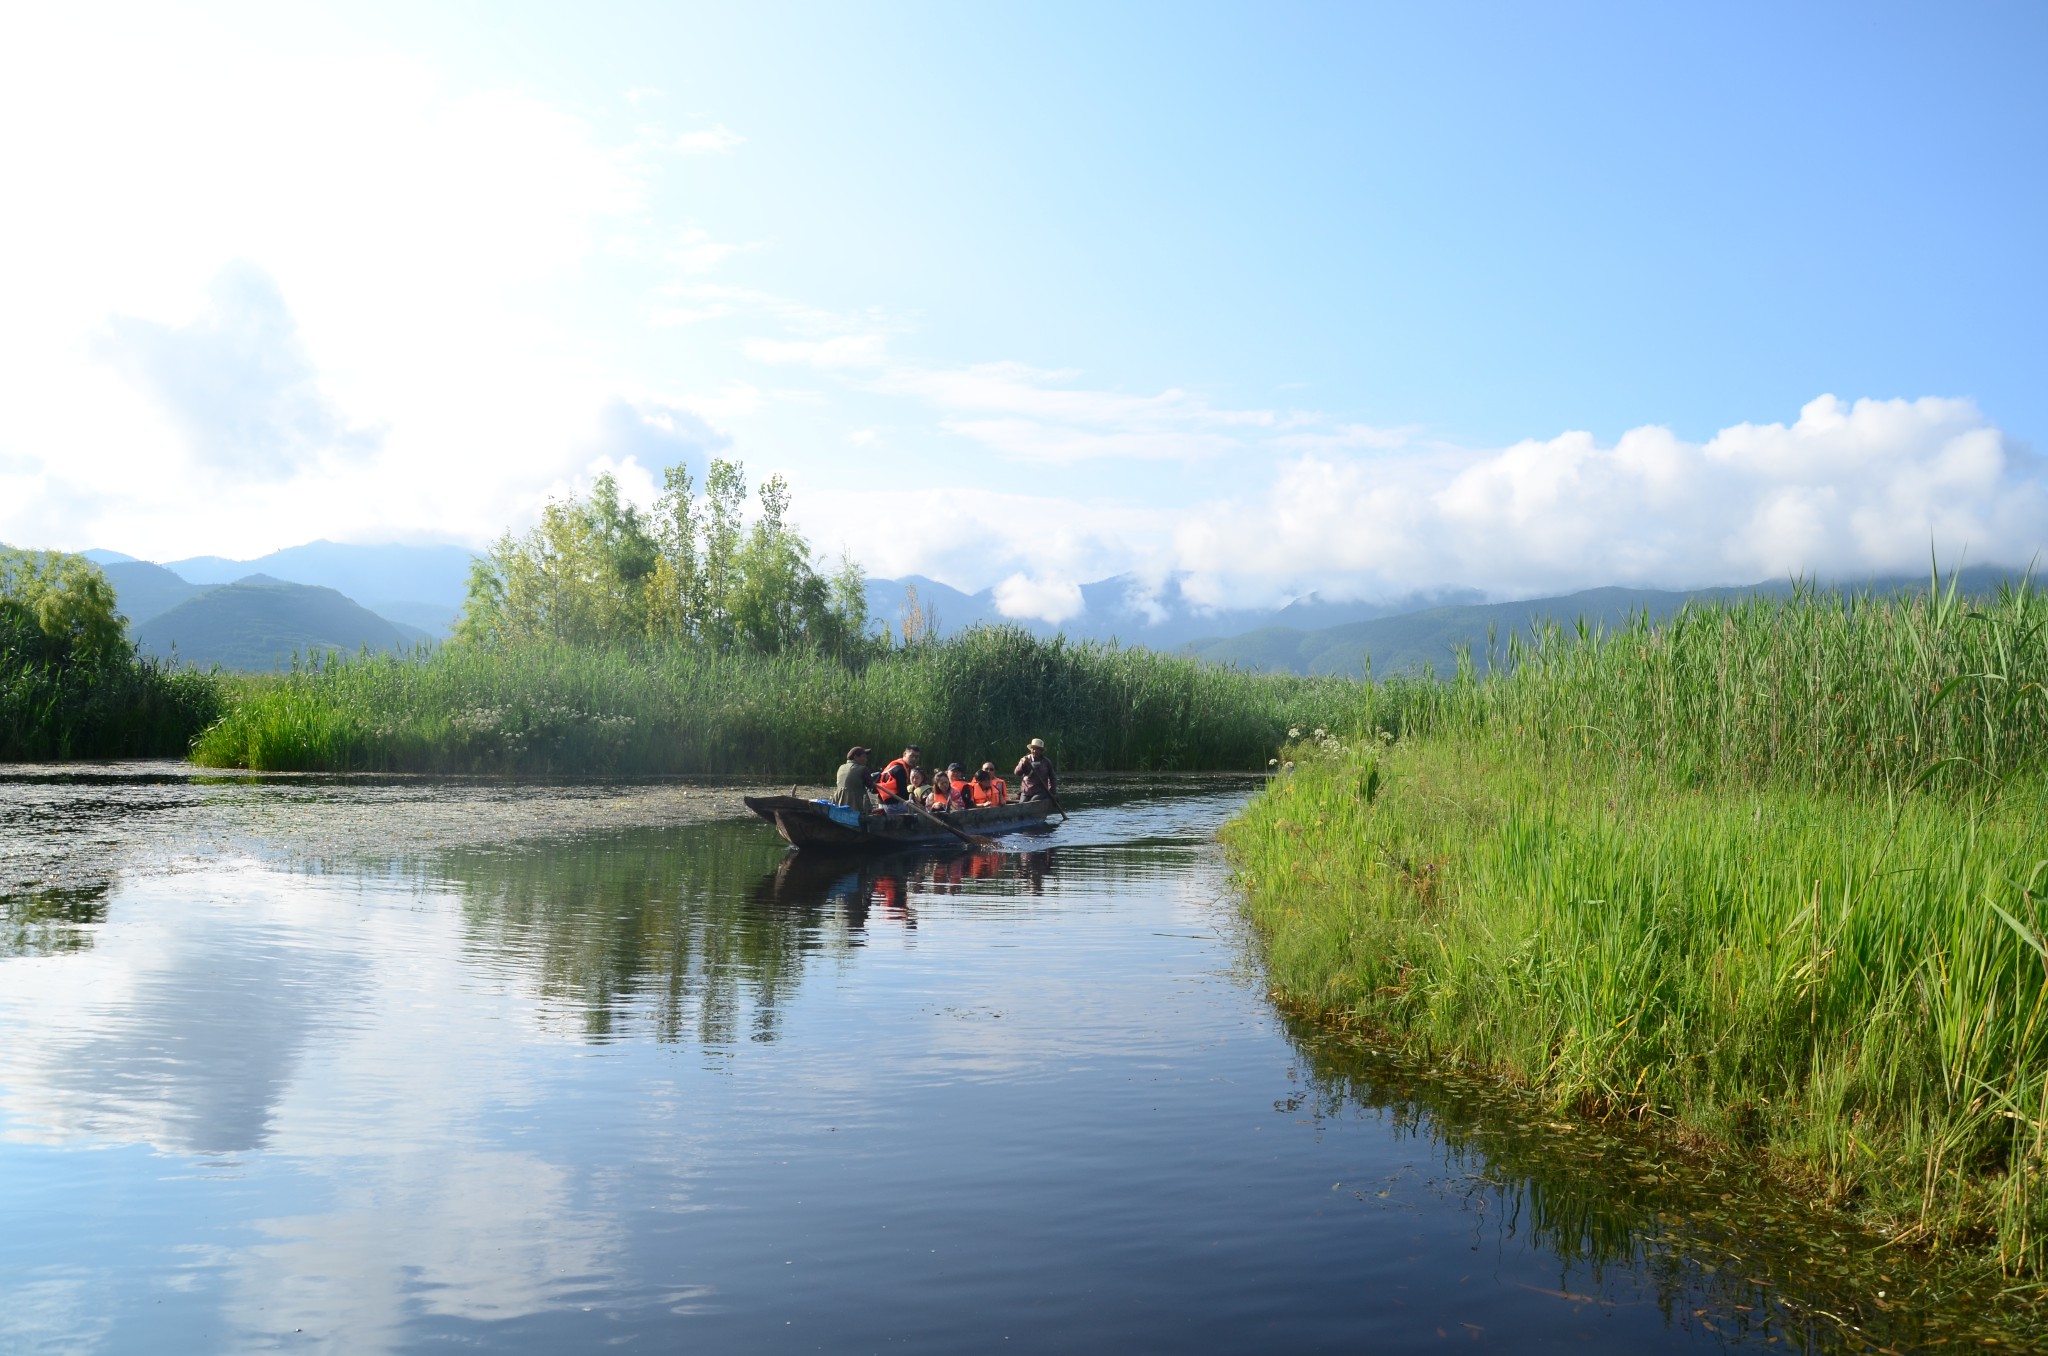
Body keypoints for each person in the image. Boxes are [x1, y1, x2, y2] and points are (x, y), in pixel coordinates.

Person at [873, 745, 922, 811]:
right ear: (904, 754)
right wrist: (914, 799)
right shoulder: (900, 770)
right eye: (912, 756)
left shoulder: (896, 765)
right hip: (891, 806)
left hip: (882, 804)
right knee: (918, 810)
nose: (914, 759)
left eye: (916, 757)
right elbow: (903, 794)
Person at [833, 746, 876, 812]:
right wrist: (875, 782)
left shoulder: (841, 767)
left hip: (839, 804)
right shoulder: (863, 769)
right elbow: (872, 787)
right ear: (855, 757)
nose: (866, 759)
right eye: (864, 757)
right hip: (855, 806)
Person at [1013, 736, 1057, 802]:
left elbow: (1052, 778)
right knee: (1022, 804)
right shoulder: (1025, 760)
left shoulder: (1046, 762)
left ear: (1041, 750)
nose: (1034, 751)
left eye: (1037, 749)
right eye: (1032, 749)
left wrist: (1052, 792)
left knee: (1033, 801)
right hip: (1027, 791)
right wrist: (1023, 764)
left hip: (1040, 791)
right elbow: (1017, 773)